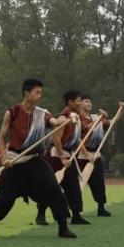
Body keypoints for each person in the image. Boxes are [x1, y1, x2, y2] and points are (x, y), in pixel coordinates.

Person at [0, 78, 76, 239]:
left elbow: (53, 121)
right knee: (5, 197)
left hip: (33, 159)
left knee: (53, 188)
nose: (40, 95)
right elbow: (1, 138)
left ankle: (63, 227)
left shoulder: (42, 114)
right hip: (15, 159)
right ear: (26, 93)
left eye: (41, 93)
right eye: (37, 92)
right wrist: (4, 157)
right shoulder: (12, 112)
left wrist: (61, 121)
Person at [37, 89, 91, 226]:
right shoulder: (63, 117)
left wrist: (85, 153)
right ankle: (41, 214)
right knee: (51, 186)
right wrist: (62, 157)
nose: (80, 103)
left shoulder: (76, 117)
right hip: (57, 156)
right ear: (70, 102)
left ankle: (76, 215)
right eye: (78, 101)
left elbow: (77, 137)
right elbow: (56, 139)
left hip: (68, 156)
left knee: (73, 186)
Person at [77, 95, 122, 217]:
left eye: (90, 102)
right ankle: (76, 211)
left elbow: (113, 122)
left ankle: (101, 208)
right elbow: (80, 137)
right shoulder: (78, 118)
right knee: (77, 185)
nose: (89, 104)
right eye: (86, 101)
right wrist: (86, 154)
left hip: (95, 156)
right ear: (80, 104)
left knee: (99, 183)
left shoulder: (96, 118)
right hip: (81, 156)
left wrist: (122, 110)